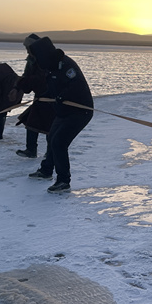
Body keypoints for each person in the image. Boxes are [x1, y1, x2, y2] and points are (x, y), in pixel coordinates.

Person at [25, 36, 93, 193]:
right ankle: (46, 171)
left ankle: (63, 181)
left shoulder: (67, 66)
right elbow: (53, 87)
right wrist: (43, 96)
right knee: (51, 137)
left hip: (80, 111)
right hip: (63, 111)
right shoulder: (50, 66)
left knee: (59, 143)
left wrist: (62, 96)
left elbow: (76, 87)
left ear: (43, 54)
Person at [13, 34, 55, 158]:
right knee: (31, 123)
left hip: (50, 98)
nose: (27, 51)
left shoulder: (46, 60)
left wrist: (24, 82)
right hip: (39, 98)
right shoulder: (31, 60)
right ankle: (31, 150)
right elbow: (26, 76)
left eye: (28, 48)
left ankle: (50, 152)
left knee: (50, 127)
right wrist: (17, 87)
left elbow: (41, 79)